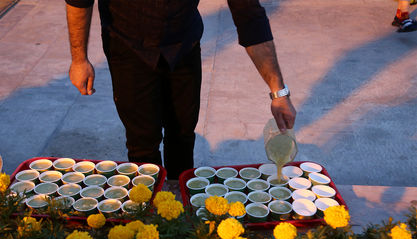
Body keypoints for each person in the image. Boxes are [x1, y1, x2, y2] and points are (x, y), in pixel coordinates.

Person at [65, 0, 296, 179]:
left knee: (183, 134)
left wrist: (279, 92)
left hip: (183, 43)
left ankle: (180, 208)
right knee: (142, 142)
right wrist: (79, 59)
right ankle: (148, 217)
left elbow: (249, 15)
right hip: (128, 44)